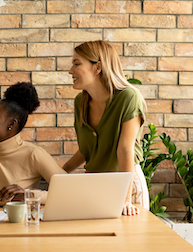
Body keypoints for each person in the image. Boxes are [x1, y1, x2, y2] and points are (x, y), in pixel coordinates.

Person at [63, 40, 150, 216]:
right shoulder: (81, 102)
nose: (70, 71)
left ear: (98, 67)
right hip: (95, 184)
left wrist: (125, 199)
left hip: (125, 184)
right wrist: (57, 175)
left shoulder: (128, 98)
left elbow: (125, 150)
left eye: (77, 64)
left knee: (129, 242)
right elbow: (88, 151)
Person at [0, 82, 65, 206]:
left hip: (22, 221)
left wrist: (28, 195)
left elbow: (68, 190)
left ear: (11, 124)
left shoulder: (34, 154)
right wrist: (10, 199)